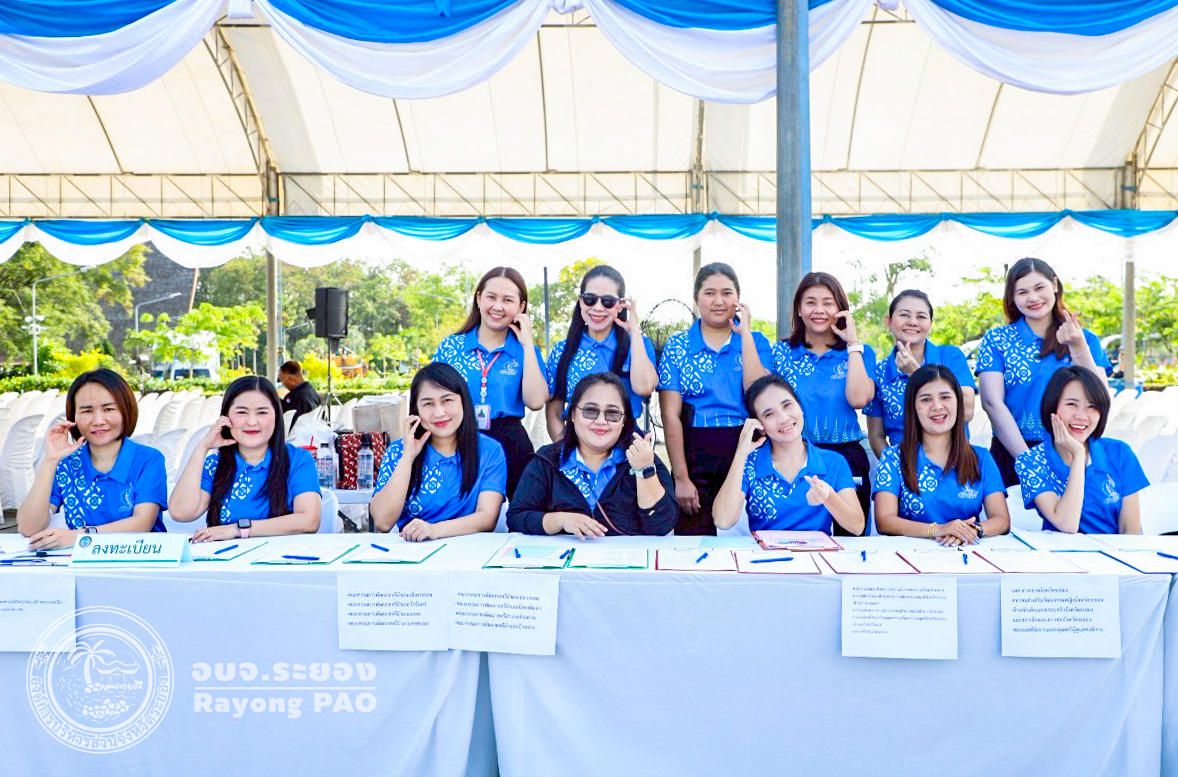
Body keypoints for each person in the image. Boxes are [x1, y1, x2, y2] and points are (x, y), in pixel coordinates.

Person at [658, 262, 773, 535]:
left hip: (748, 446)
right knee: (695, 540)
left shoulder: (757, 342)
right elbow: (670, 415)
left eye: (727, 293)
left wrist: (745, 334)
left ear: (738, 299)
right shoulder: (677, 346)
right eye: (709, 293)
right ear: (696, 298)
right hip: (695, 448)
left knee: (745, 539)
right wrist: (681, 477)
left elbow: (758, 391)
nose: (719, 301)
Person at [977, 257, 1111, 486]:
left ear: (1055, 285)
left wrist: (1078, 346)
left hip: (1071, 451)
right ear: (1012, 297)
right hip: (1012, 451)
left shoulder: (1084, 338)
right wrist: (1027, 460)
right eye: (1022, 292)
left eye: (1039, 287)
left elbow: (1101, 397)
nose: (1033, 297)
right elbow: (991, 402)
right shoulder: (997, 339)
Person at [509, 373, 676, 537]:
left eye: (612, 413)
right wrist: (560, 520)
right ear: (572, 415)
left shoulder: (643, 457)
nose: (601, 421)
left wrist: (644, 471)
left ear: (624, 421)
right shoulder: (548, 460)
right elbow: (516, 518)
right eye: (590, 411)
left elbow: (662, 525)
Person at [18, 369, 167, 549]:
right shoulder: (66, 464)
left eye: (109, 409)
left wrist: (80, 536)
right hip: (80, 562)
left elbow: (142, 523)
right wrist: (50, 460)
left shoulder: (148, 460)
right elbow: (28, 528)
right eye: (87, 411)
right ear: (73, 416)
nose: (98, 420)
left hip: (142, 558)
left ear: (126, 410)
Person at [771, 271, 876, 522]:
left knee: (849, 536)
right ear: (799, 309)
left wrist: (852, 343)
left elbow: (859, 399)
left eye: (828, 303)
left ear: (841, 309)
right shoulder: (780, 353)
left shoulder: (860, 352)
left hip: (846, 457)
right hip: (795, 457)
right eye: (810, 302)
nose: (819, 310)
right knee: (799, 534)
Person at [434, 266, 547, 497]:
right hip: (459, 440)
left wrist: (527, 344)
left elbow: (536, 402)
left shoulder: (525, 350)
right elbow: (431, 398)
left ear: (521, 307)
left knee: (520, 513)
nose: (498, 306)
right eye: (491, 297)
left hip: (510, 444)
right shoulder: (451, 347)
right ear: (478, 299)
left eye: (508, 300)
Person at [170, 375, 321, 540]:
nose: (251, 422)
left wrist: (239, 529)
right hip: (225, 556)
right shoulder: (215, 465)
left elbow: (309, 520)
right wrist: (202, 447)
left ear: (276, 416)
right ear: (226, 417)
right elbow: (180, 513)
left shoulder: (297, 460)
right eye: (241, 412)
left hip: (281, 555)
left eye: (262, 412)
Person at [874, 365, 1009, 545]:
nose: (937, 406)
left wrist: (972, 530)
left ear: (958, 402)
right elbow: (884, 521)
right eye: (926, 399)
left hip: (967, 552)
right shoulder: (893, 458)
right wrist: (939, 529)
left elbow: (1001, 519)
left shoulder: (981, 457)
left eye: (945, 397)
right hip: (910, 556)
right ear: (912, 407)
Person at [713, 375, 864, 535]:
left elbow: (857, 526)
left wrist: (828, 497)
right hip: (762, 551)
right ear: (760, 426)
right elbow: (723, 521)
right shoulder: (749, 463)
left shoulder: (834, 462)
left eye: (787, 405)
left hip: (817, 551)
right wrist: (740, 453)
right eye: (769, 414)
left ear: (800, 407)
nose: (783, 418)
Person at [370, 363, 507, 539]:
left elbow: (487, 517)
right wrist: (407, 457)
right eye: (428, 404)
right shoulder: (398, 450)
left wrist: (433, 530)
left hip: (469, 549)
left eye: (447, 400)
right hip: (413, 550)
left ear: (463, 401)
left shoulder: (489, 451)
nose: (439, 413)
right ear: (416, 409)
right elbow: (382, 522)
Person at [1015, 366, 1147, 534]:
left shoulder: (1120, 453)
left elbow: (1131, 532)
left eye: (1092, 406)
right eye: (1072, 404)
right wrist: (1078, 455)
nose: (1081, 416)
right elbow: (1067, 524)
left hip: (1115, 550)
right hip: (1060, 550)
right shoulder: (1031, 461)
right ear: (1052, 406)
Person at [545, 265, 657, 440]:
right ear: (580, 301)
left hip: (626, 446)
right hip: (576, 445)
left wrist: (634, 331)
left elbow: (644, 388)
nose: (598, 308)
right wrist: (567, 450)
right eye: (589, 299)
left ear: (620, 305)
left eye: (608, 301)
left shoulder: (638, 345)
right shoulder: (562, 351)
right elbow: (553, 413)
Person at [866, 290, 975, 458]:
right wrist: (894, 467)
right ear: (888, 321)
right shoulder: (879, 373)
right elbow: (876, 436)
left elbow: (967, 412)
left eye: (921, 317)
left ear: (930, 324)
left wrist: (916, 373)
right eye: (904, 315)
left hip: (954, 462)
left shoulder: (950, 357)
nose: (912, 322)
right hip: (903, 464)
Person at [278, 360, 321, 427]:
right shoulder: (311, 392)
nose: (283, 385)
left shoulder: (300, 397)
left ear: (292, 379)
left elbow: (291, 422)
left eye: (283, 381)